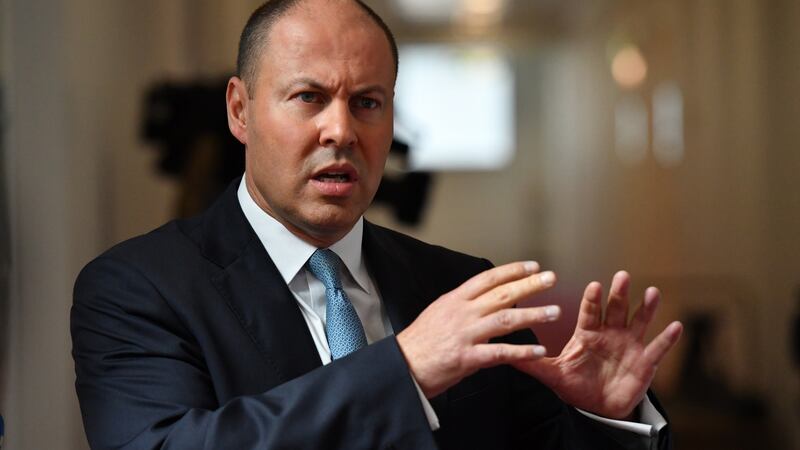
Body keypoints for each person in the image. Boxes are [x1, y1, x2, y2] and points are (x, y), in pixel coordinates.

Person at [71, 0, 683, 448]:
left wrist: (602, 419)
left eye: (367, 102)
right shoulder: (136, 288)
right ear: (240, 109)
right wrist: (406, 369)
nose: (341, 131)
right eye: (309, 97)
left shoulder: (464, 288)